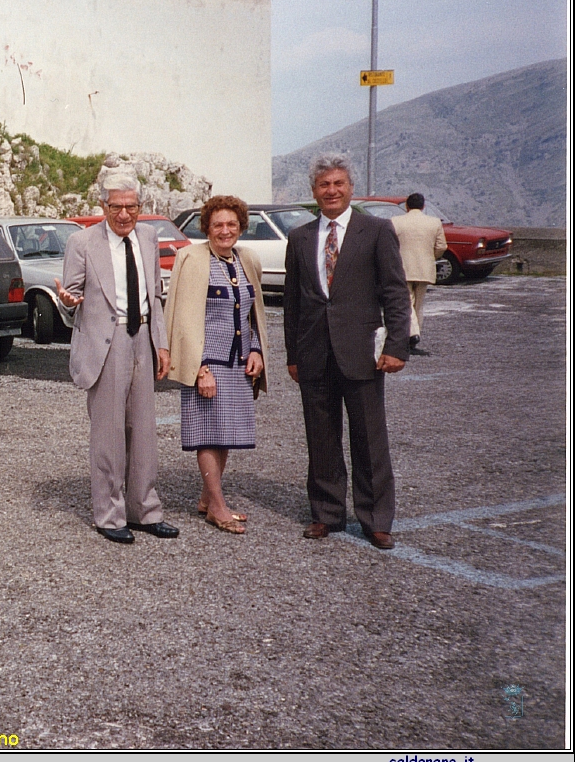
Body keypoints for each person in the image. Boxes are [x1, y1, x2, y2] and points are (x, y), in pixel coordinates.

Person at [283, 153, 411, 550]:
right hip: (314, 353)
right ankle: (326, 513)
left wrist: (396, 345)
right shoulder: (300, 237)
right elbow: (293, 302)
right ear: (314, 192)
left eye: (338, 184)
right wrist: (292, 354)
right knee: (321, 437)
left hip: (361, 353)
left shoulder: (375, 230)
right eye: (324, 185)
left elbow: (394, 291)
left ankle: (375, 519)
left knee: (369, 438)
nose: (332, 191)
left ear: (350, 188)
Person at [55, 172, 175, 544]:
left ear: (140, 207)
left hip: (142, 338)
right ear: (103, 207)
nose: (124, 214)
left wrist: (162, 343)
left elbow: (155, 295)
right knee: (108, 434)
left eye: (131, 206)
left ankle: (145, 510)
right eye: (116, 207)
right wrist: (68, 302)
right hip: (106, 343)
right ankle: (109, 516)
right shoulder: (82, 242)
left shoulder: (150, 238)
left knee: (143, 430)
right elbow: (71, 294)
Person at [165, 195, 267, 534]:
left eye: (232, 225)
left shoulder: (247, 259)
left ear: (241, 227)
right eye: (218, 225)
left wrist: (255, 350)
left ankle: (208, 498)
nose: (225, 231)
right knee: (208, 435)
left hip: (238, 364)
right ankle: (218, 506)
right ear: (206, 228)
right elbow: (180, 317)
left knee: (225, 434)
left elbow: (253, 315)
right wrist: (199, 370)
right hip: (207, 364)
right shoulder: (191, 258)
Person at [391, 193, 447, 356]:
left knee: (407, 301)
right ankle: (414, 337)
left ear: (406, 206)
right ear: (423, 206)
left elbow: (391, 244)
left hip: (403, 268)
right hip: (425, 268)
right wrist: (431, 257)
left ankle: (412, 335)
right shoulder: (434, 223)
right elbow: (442, 246)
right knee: (418, 305)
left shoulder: (396, 221)